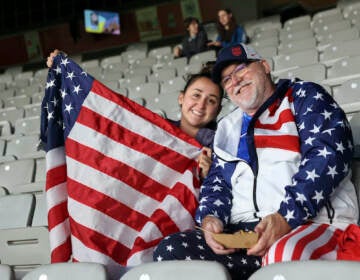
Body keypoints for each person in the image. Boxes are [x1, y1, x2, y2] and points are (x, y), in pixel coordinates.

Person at [153, 43, 359, 279]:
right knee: (172, 252)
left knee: (282, 258)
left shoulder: (304, 96)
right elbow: (217, 183)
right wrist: (211, 218)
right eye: (227, 80)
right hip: (245, 236)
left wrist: (285, 217)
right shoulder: (227, 127)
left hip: (309, 222)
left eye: (240, 69)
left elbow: (328, 154)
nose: (235, 81)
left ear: (264, 66)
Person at [46, 50, 222, 180]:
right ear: (181, 98)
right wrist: (65, 74)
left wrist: (210, 175)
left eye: (211, 101)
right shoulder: (156, 129)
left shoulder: (222, 145)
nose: (201, 104)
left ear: (218, 111)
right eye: (196, 95)